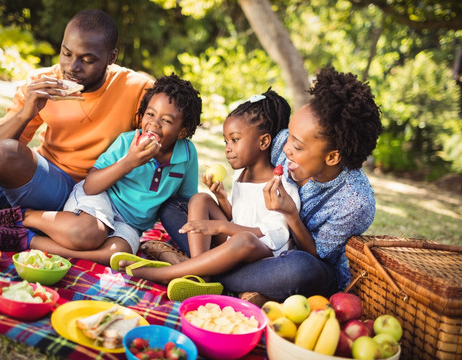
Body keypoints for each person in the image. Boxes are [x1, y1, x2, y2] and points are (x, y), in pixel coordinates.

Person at [150, 66, 383, 303]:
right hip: (246, 244)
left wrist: (291, 214)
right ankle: (214, 274)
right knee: (175, 207)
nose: (284, 147)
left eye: (298, 145)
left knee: (302, 269)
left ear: (332, 157)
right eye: (289, 135)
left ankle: (193, 268)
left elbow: (316, 255)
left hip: (287, 262)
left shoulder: (355, 202)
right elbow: (251, 177)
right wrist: (222, 193)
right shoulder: (282, 142)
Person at [0, 74, 202, 266]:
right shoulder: (127, 143)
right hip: (99, 199)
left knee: (117, 257)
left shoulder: (187, 156)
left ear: (182, 132)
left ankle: (24, 240)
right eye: (150, 114)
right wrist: (130, 162)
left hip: (131, 224)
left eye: (167, 121)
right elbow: (91, 185)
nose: (154, 124)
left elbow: (185, 202)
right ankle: (24, 216)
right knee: (90, 234)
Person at [0, 9, 153, 211]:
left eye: (87, 60)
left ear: (111, 58)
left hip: (84, 194)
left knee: (6, 156)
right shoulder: (41, 82)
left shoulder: (137, 89)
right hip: (38, 178)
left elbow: (160, 146)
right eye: (66, 53)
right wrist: (25, 113)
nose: (71, 67)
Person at [112, 89, 300, 287]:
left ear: (263, 141)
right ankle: (200, 271)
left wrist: (220, 227)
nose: (227, 148)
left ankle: (168, 272)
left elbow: (275, 234)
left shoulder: (279, 185)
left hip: (263, 253)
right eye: (226, 141)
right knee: (200, 199)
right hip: (232, 243)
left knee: (244, 239)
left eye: (235, 140)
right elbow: (237, 217)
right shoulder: (241, 175)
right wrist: (222, 200)